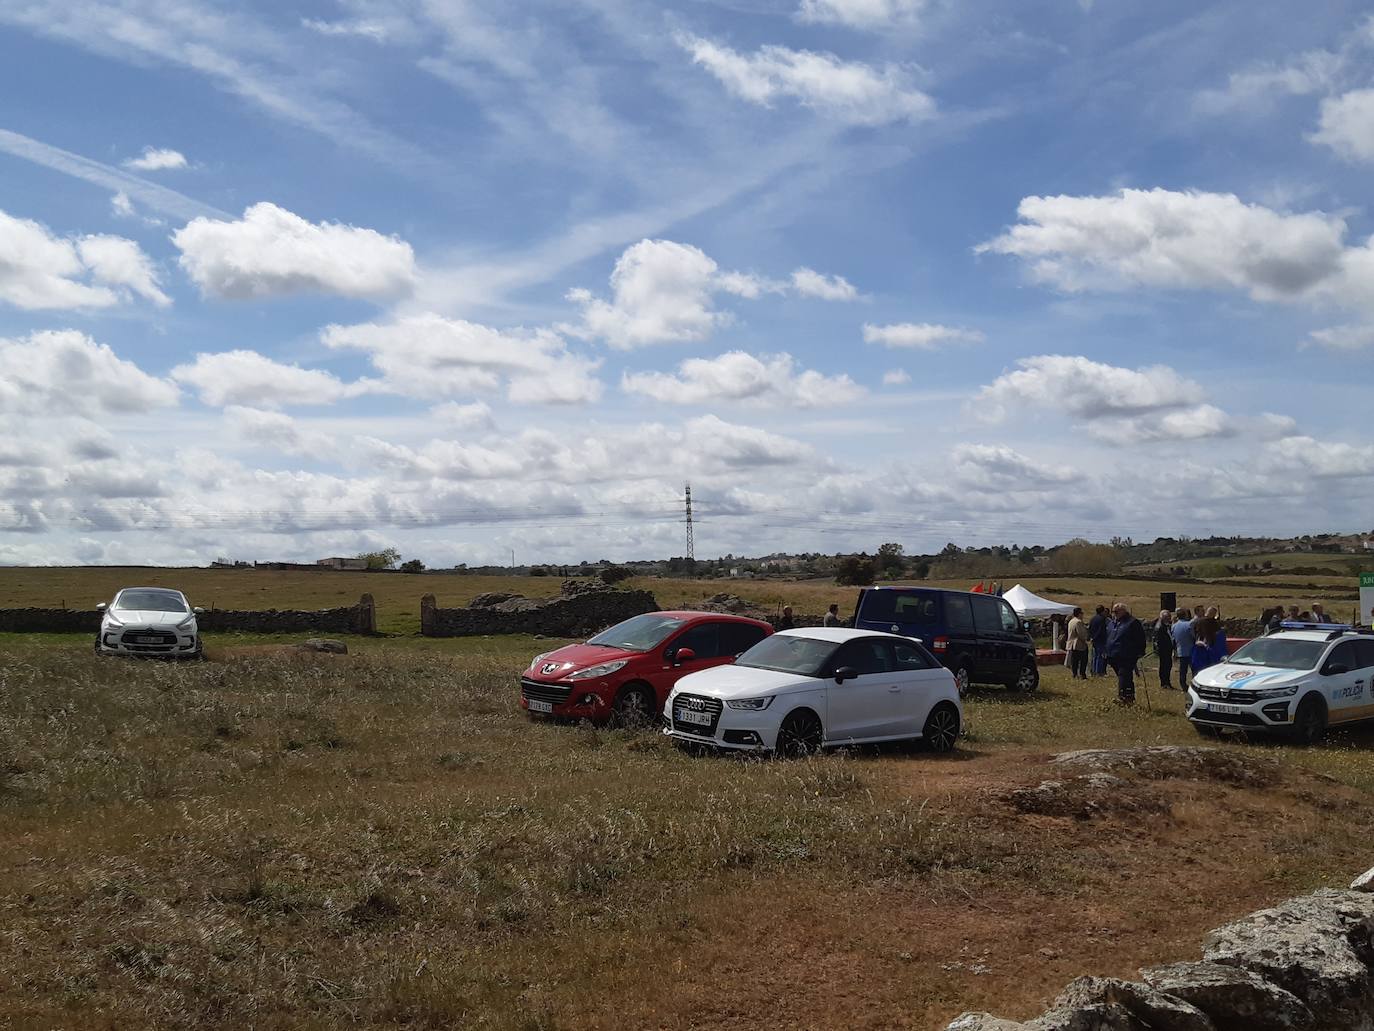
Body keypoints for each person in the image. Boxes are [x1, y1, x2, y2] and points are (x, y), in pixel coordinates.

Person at [1105, 602, 1147, 704]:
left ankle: (1123, 697)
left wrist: (1140, 652)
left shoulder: (1132, 622)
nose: (1114, 614)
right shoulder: (1112, 623)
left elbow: (1140, 638)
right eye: (1113, 612)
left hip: (1127, 655)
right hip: (1113, 655)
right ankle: (1129, 696)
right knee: (1124, 677)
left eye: (1116, 611)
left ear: (1123, 611)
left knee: (1124, 675)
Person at [1171, 608, 1195, 692]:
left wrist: (1174, 651)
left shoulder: (1174, 626)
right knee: (1194, 669)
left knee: (1183, 670)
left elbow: (1173, 639)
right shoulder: (1189, 624)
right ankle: (1195, 685)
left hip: (1180, 650)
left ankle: (1183, 685)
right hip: (1191, 650)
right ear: (1185, 615)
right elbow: (1193, 636)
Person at [1066, 606, 1090, 679]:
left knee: (1074, 660)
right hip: (1078, 644)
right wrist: (1086, 640)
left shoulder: (1071, 621)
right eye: (1082, 613)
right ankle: (1082, 674)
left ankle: (1074, 674)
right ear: (1079, 614)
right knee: (1083, 660)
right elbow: (1081, 633)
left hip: (1071, 644)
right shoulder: (1078, 622)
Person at [1153, 609, 1174, 689]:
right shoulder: (1160, 627)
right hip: (1164, 650)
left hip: (1167, 649)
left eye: (1169, 616)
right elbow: (1158, 640)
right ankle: (1164, 683)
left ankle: (1166, 682)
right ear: (1163, 617)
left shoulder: (1165, 625)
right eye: (1167, 616)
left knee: (1167, 666)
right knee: (1165, 666)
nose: (1169, 618)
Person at [1088, 605, 1109, 677]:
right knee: (1100, 656)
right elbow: (1101, 630)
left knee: (1095, 656)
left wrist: (1091, 637)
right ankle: (1098, 672)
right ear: (1102, 611)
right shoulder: (1102, 619)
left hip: (1094, 639)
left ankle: (1093, 671)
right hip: (1100, 640)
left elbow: (1090, 628)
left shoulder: (1092, 619)